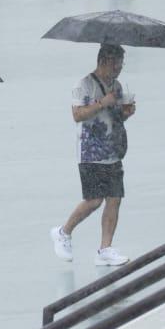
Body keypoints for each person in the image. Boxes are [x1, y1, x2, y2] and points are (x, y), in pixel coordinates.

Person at [50, 43, 135, 267]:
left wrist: (126, 113)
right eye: (117, 64)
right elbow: (77, 115)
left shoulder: (117, 86)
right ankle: (63, 232)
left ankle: (105, 249)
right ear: (105, 61)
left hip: (113, 151)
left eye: (121, 64)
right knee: (94, 200)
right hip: (90, 152)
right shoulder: (83, 85)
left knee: (114, 199)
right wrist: (102, 103)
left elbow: (115, 117)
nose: (119, 68)